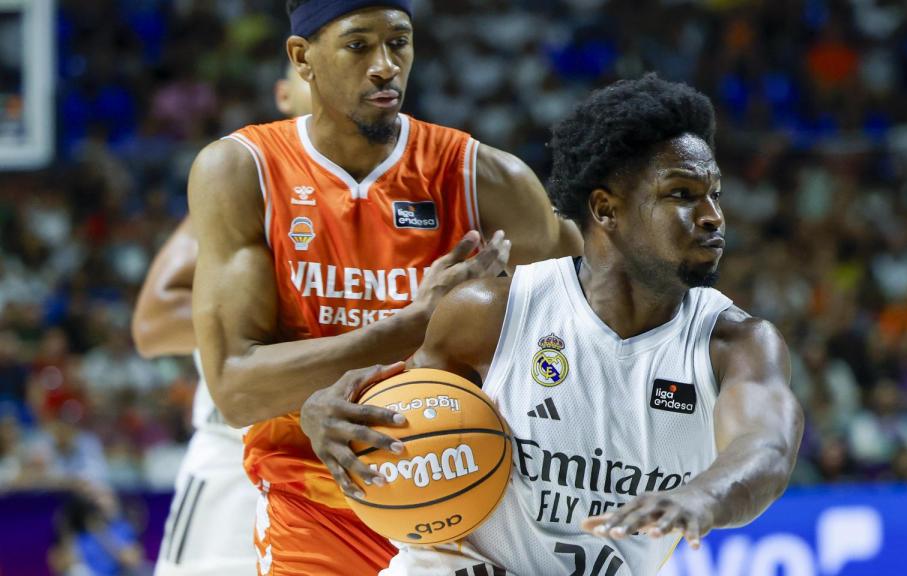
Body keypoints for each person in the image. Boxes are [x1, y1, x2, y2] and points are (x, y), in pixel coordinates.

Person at [311, 75, 804, 575]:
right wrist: (323, 417)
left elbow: (767, 447)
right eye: (682, 194)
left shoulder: (736, 343)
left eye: (714, 194)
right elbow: (391, 426)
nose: (713, 216)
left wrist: (704, 497)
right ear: (605, 209)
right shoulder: (493, 313)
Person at [188, 1, 582, 574]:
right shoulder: (242, 170)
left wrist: (495, 341)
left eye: (399, 43)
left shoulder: (485, 178)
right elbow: (235, 391)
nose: (385, 66)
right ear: (302, 58)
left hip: (461, 493)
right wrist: (408, 327)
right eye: (358, 46)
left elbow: (587, 344)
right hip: (313, 502)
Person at [132, 63, 313, 576]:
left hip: (341, 455)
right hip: (236, 457)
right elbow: (152, 324)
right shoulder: (244, 181)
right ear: (283, 93)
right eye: (309, 70)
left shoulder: (400, 190)